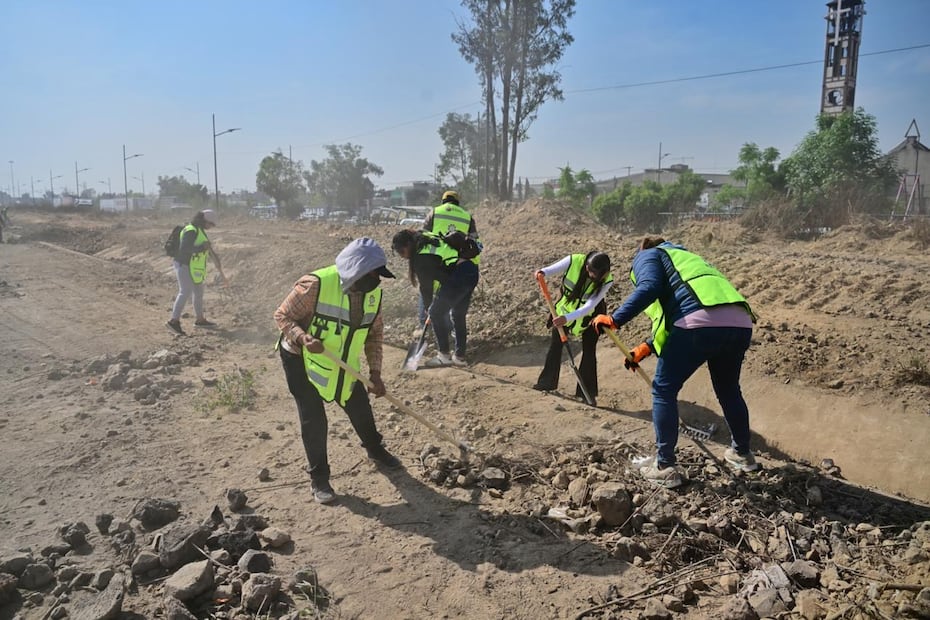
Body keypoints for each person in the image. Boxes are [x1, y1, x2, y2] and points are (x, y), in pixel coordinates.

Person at [592, 236, 758, 489]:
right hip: (740, 322)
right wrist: (645, 348)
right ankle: (742, 455)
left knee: (664, 389)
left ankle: (665, 466)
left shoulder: (650, 254)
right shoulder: (689, 260)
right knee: (728, 390)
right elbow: (677, 312)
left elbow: (650, 288)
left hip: (698, 323)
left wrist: (615, 319)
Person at [273, 237, 402, 505]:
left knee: (359, 405)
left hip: (341, 361)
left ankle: (375, 450)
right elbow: (282, 316)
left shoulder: (374, 294)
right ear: (354, 271)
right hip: (301, 358)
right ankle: (319, 479)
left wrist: (375, 373)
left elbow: (374, 334)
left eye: (379, 275)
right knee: (314, 418)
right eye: (372, 275)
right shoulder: (315, 285)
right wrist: (302, 337)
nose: (376, 281)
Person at [391, 228, 480, 367]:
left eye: (401, 251)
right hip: (470, 271)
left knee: (436, 313)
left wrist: (429, 308)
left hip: (459, 275)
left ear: (408, 244)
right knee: (458, 314)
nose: (402, 256)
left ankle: (444, 355)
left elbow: (426, 287)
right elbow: (442, 272)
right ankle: (459, 357)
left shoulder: (420, 256)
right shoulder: (426, 239)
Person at [533, 252, 613, 405]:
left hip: (590, 318)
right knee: (555, 345)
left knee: (589, 352)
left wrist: (566, 319)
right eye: (588, 269)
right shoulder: (575, 260)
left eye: (594, 273)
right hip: (564, 311)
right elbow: (550, 270)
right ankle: (546, 382)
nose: (589, 274)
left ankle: (586, 393)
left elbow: (588, 306)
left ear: (603, 273)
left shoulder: (607, 281)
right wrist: (541, 272)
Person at [167, 209, 223, 334]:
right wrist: (201, 247)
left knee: (198, 292)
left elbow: (207, 248)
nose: (211, 227)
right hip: (184, 265)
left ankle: (200, 320)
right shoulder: (191, 230)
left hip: (194, 267)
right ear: (204, 221)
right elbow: (185, 249)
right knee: (185, 292)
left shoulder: (200, 231)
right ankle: (173, 321)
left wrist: (216, 260)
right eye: (211, 224)